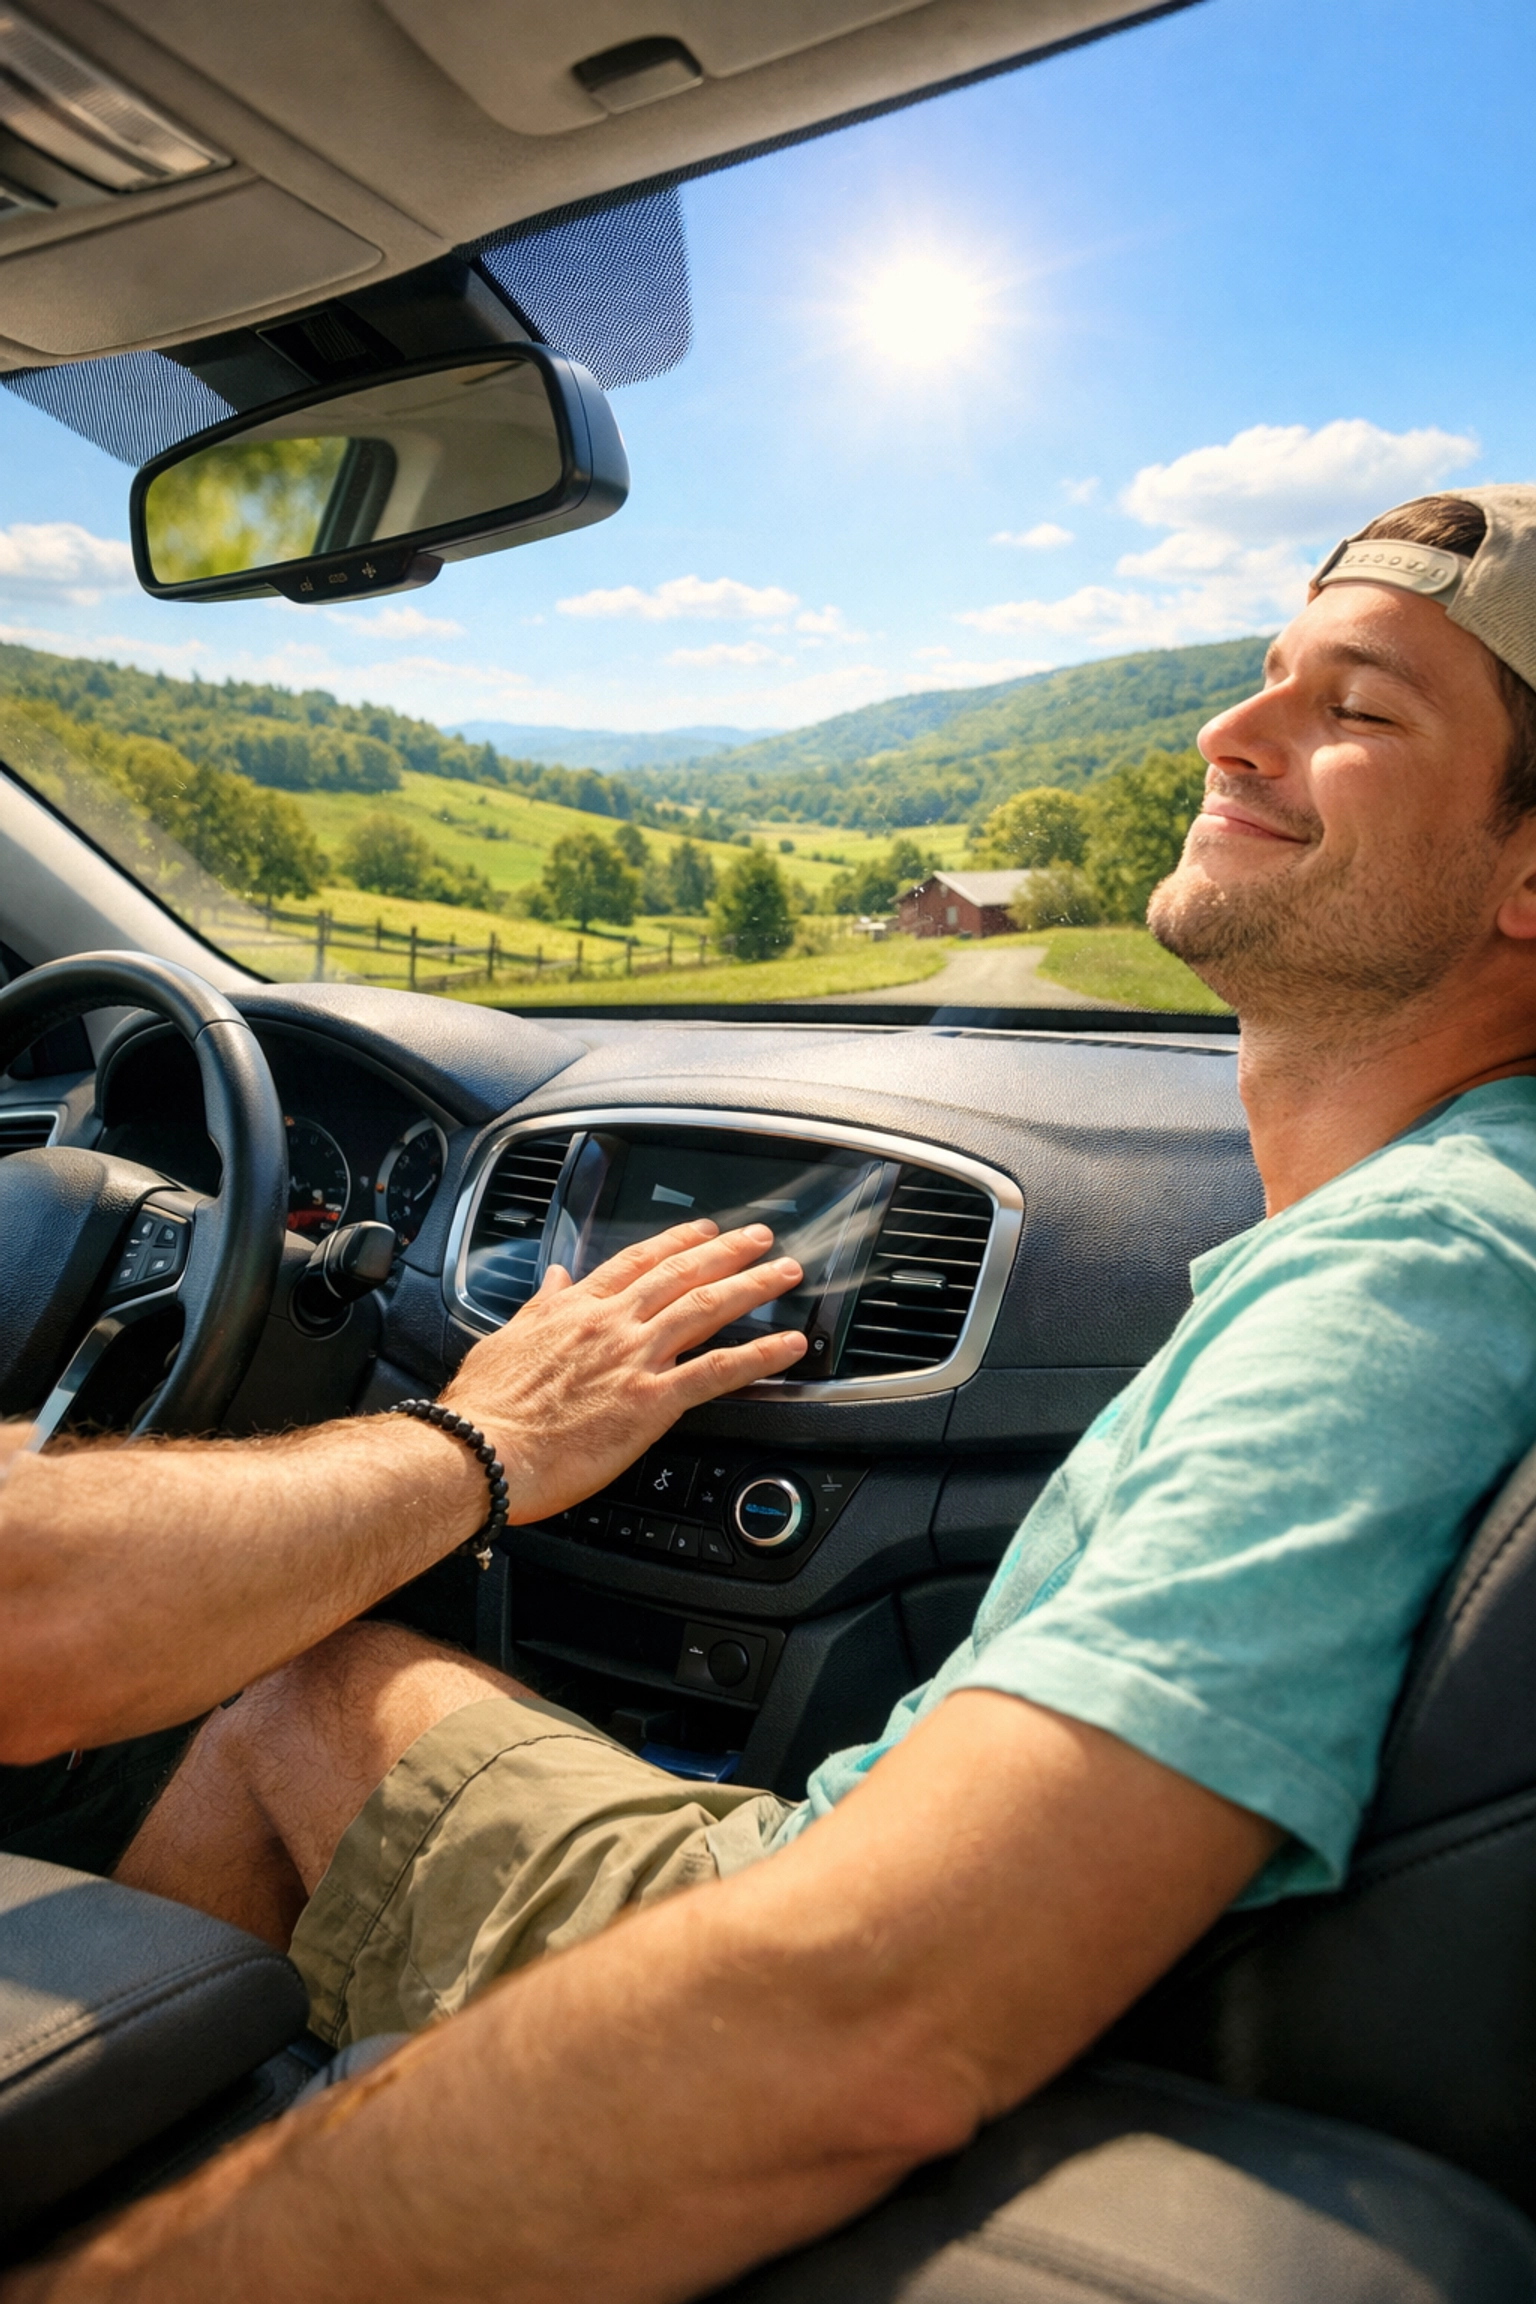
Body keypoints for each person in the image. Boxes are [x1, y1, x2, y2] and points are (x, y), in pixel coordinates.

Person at [7, 483, 1536, 2303]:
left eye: (1354, 711)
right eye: (1264, 677)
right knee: (306, 1684)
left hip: (812, 1919)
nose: (1228, 729)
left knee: (270, 1694)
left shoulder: (1416, 1269)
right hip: (853, 1885)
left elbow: (863, 2008)